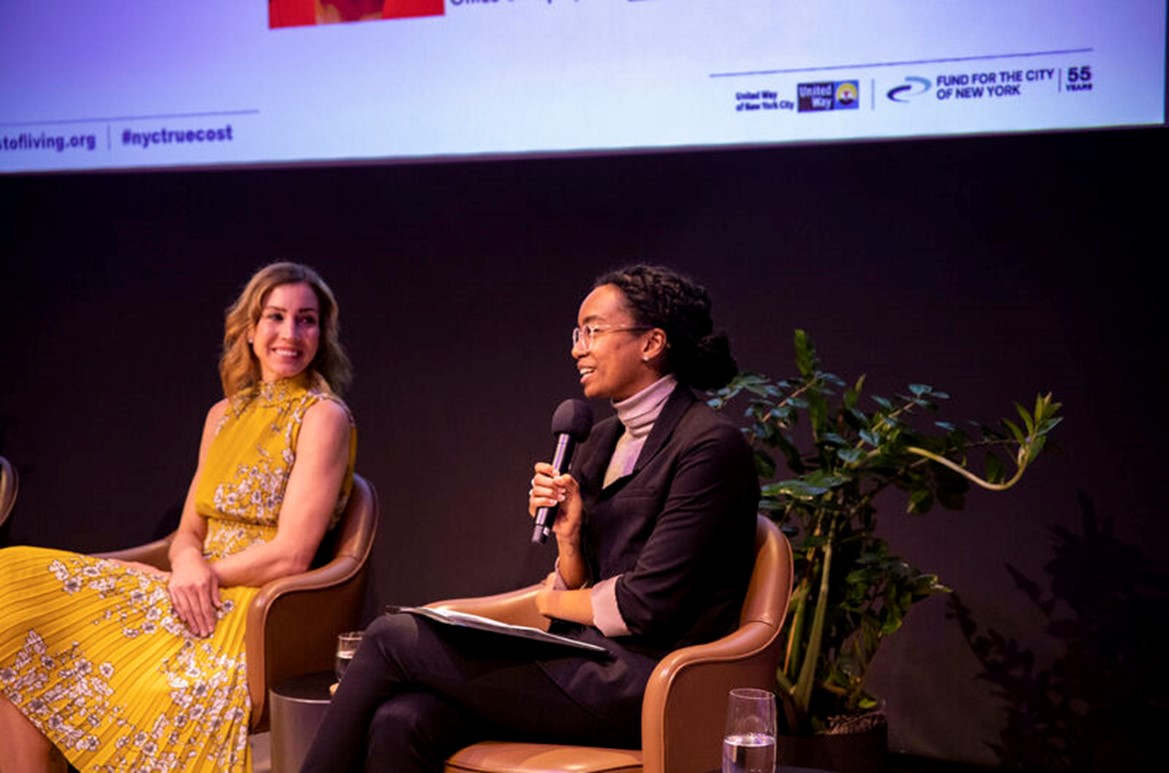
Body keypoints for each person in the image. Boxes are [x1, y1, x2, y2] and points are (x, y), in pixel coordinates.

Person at [302, 264, 758, 772]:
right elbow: (587, 590)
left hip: (650, 681)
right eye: (577, 333)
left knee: (390, 636)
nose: (577, 348)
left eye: (594, 330)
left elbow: (645, 606)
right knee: (403, 719)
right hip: (585, 663)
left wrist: (547, 598)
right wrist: (570, 542)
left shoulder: (710, 446)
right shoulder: (602, 438)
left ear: (652, 343)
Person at [0, 262, 357, 773]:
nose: (289, 334)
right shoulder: (223, 414)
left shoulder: (324, 416)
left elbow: (293, 553)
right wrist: (185, 566)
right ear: (250, 331)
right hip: (189, 584)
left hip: (246, 608)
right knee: (11, 600)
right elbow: (189, 530)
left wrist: (197, 576)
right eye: (275, 317)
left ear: (322, 335)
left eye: (306, 320)